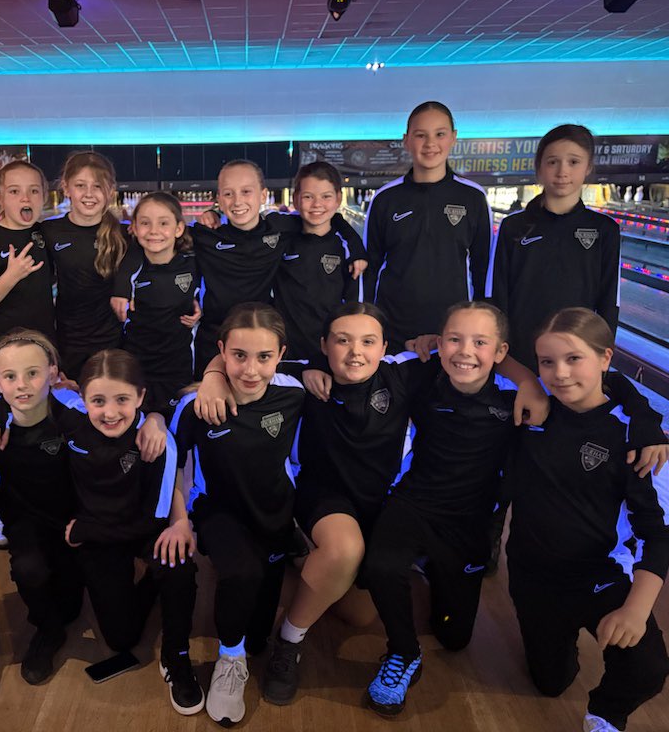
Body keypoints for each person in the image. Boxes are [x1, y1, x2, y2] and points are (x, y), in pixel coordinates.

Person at [361, 302, 544, 718]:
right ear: (439, 343)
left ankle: (433, 568)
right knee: (380, 566)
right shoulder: (422, 373)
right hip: (415, 501)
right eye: (455, 339)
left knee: (454, 638)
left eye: (480, 343)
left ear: (501, 352)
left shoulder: (516, 395)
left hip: (470, 520)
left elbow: (600, 389)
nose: (465, 351)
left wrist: (529, 379)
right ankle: (403, 652)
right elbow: (359, 361)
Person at [259, 302, 439, 705]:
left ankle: (303, 556)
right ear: (324, 345)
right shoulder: (303, 377)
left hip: (377, 501)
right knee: (344, 550)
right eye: (343, 340)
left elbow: (475, 351)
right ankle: (288, 641)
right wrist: (213, 380)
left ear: (384, 347)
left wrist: (434, 339)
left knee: (357, 614)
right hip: (322, 496)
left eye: (368, 342)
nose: (355, 351)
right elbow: (239, 365)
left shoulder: (402, 373)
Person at [507, 308, 669, 732]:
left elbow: (658, 535)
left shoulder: (637, 439)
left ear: (605, 358)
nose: (560, 373)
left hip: (600, 575)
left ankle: (606, 714)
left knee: (649, 667)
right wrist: (527, 380)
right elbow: (482, 357)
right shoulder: (532, 410)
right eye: (547, 362)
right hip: (533, 575)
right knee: (551, 683)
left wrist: (635, 610)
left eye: (573, 359)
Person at [170, 303, 305, 725]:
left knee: (259, 636)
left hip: (273, 514)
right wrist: (179, 520)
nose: (250, 369)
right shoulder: (195, 406)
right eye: (239, 356)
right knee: (242, 575)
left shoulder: (295, 394)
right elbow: (172, 468)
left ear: (281, 354)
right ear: (222, 351)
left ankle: (246, 644)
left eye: (264, 357)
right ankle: (230, 660)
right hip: (218, 511)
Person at [114, 160, 366, 378]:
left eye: (246, 192)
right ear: (219, 198)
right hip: (212, 340)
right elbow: (153, 239)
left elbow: (330, 219)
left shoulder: (281, 228)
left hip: (259, 341)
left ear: (263, 196)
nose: (237, 201)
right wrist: (123, 286)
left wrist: (357, 250)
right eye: (228, 194)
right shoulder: (205, 234)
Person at [65, 349, 203, 715]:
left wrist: (86, 530)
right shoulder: (70, 424)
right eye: (98, 401)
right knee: (120, 639)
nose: (110, 413)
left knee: (179, 564)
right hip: (99, 535)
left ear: (141, 397)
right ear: (82, 399)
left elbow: (155, 516)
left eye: (122, 400)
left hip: (134, 528)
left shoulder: (157, 441)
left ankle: (177, 655)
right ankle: (146, 584)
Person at [0, 330, 86, 685]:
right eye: (10, 377)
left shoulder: (72, 418)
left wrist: (154, 421)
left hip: (70, 523)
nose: (22, 385)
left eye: (32, 373)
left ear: (53, 372)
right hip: (24, 523)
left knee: (72, 609)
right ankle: (47, 631)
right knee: (29, 571)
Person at [361, 101, 493, 351]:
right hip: (392, 329)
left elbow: (482, 270)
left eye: (440, 134)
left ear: (453, 138)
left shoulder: (473, 198)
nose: (430, 143)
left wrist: (479, 328)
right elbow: (370, 269)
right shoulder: (385, 199)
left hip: (453, 331)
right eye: (421, 135)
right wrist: (368, 326)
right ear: (406, 141)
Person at [487, 124, 620, 369]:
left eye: (573, 162)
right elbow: (497, 297)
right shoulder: (512, 226)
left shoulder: (605, 229)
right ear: (539, 168)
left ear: (588, 167)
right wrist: (503, 359)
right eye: (552, 162)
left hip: (577, 359)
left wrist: (599, 360)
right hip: (519, 358)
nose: (562, 172)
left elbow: (609, 301)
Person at [39, 151, 128, 380]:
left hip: (113, 338)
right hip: (67, 340)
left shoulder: (125, 234)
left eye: (98, 186)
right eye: (80, 185)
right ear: (66, 188)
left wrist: (210, 216)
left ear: (110, 191)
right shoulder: (49, 232)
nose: (89, 194)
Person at [0, 160, 55, 392]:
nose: (25, 199)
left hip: (43, 345)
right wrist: (12, 276)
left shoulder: (46, 234)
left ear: (44, 196)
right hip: (1, 348)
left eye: (33, 191)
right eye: (14, 191)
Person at [118, 191, 200, 416]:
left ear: (179, 229)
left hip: (178, 367)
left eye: (163, 223)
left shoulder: (193, 262)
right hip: (136, 366)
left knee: (174, 428)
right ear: (134, 228)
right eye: (145, 223)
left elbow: (208, 292)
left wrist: (198, 305)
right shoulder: (127, 270)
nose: (154, 231)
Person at [274, 160, 362, 364]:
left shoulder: (348, 248)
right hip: (284, 354)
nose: (317, 204)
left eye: (326, 196)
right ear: (295, 199)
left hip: (328, 356)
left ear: (339, 199)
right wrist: (213, 215)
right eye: (308, 197)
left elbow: (353, 309)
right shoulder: (281, 239)